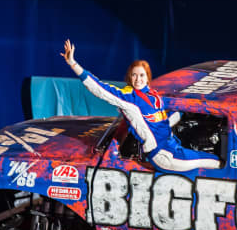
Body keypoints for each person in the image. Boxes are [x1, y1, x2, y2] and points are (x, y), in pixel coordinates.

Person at [60, 40, 221, 171]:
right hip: (163, 155)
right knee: (215, 162)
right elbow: (99, 89)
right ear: (129, 78)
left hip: (173, 146)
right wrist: (73, 64)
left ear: (148, 77)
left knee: (213, 159)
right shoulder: (129, 100)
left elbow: (168, 118)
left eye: (142, 75)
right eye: (134, 75)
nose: (138, 79)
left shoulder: (154, 95)